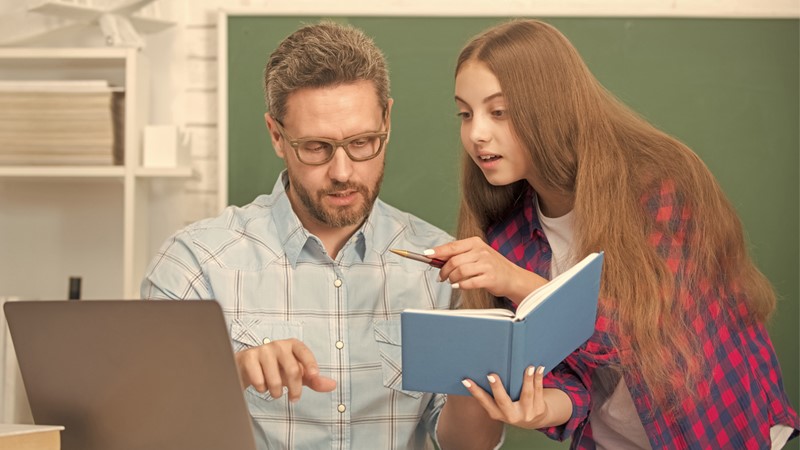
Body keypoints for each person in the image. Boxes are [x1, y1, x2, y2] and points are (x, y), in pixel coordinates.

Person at [434, 19, 799, 450]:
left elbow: (648, 337)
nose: (476, 133)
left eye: (499, 112)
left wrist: (519, 283)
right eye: (465, 113)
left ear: (549, 106)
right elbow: (575, 379)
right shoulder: (507, 236)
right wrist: (539, 407)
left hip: (717, 432)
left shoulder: (662, 185)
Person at [141, 22, 453, 449]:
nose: (342, 172)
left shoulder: (440, 267)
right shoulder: (194, 262)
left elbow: (463, 441)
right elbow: (148, 423)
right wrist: (229, 373)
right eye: (316, 148)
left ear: (388, 121)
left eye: (362, 142)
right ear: (276, 136)